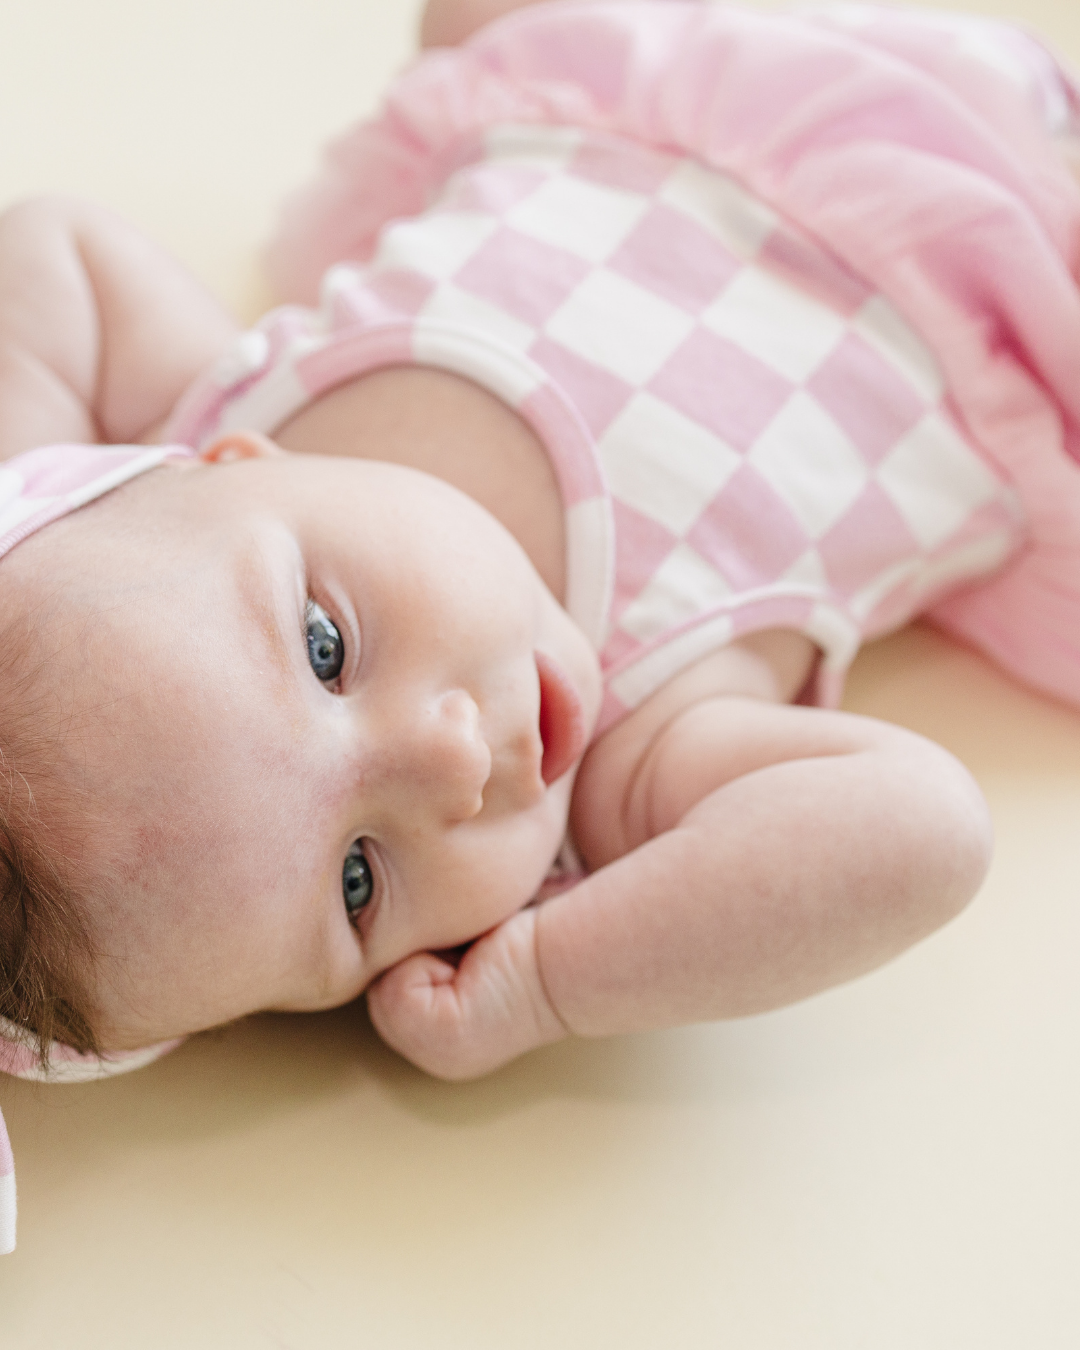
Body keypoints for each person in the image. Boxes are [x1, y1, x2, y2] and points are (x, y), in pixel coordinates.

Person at [2, 0, 1080, 1253]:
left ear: (215, 461)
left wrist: (34, 486)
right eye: (361, 881)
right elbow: (926, 831)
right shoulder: (632, 750)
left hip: (640, 75)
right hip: (999, 253)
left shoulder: (222, 410)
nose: (455, 765)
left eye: (326, 649)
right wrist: (552, 984)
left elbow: (50, 248)